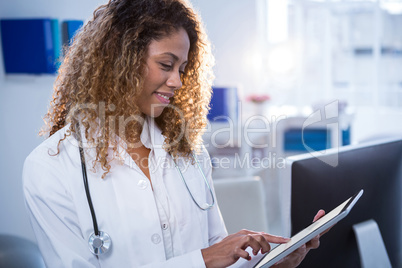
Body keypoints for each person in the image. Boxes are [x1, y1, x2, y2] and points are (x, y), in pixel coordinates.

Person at [23, 0, 325, 267]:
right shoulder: (51, 168)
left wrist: (272, 264)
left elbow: (218, 252)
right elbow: (209, 258)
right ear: (119, 59)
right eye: (166, 65)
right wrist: (204, 260)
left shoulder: (187, 152)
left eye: (182, 69)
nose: (177, 81)